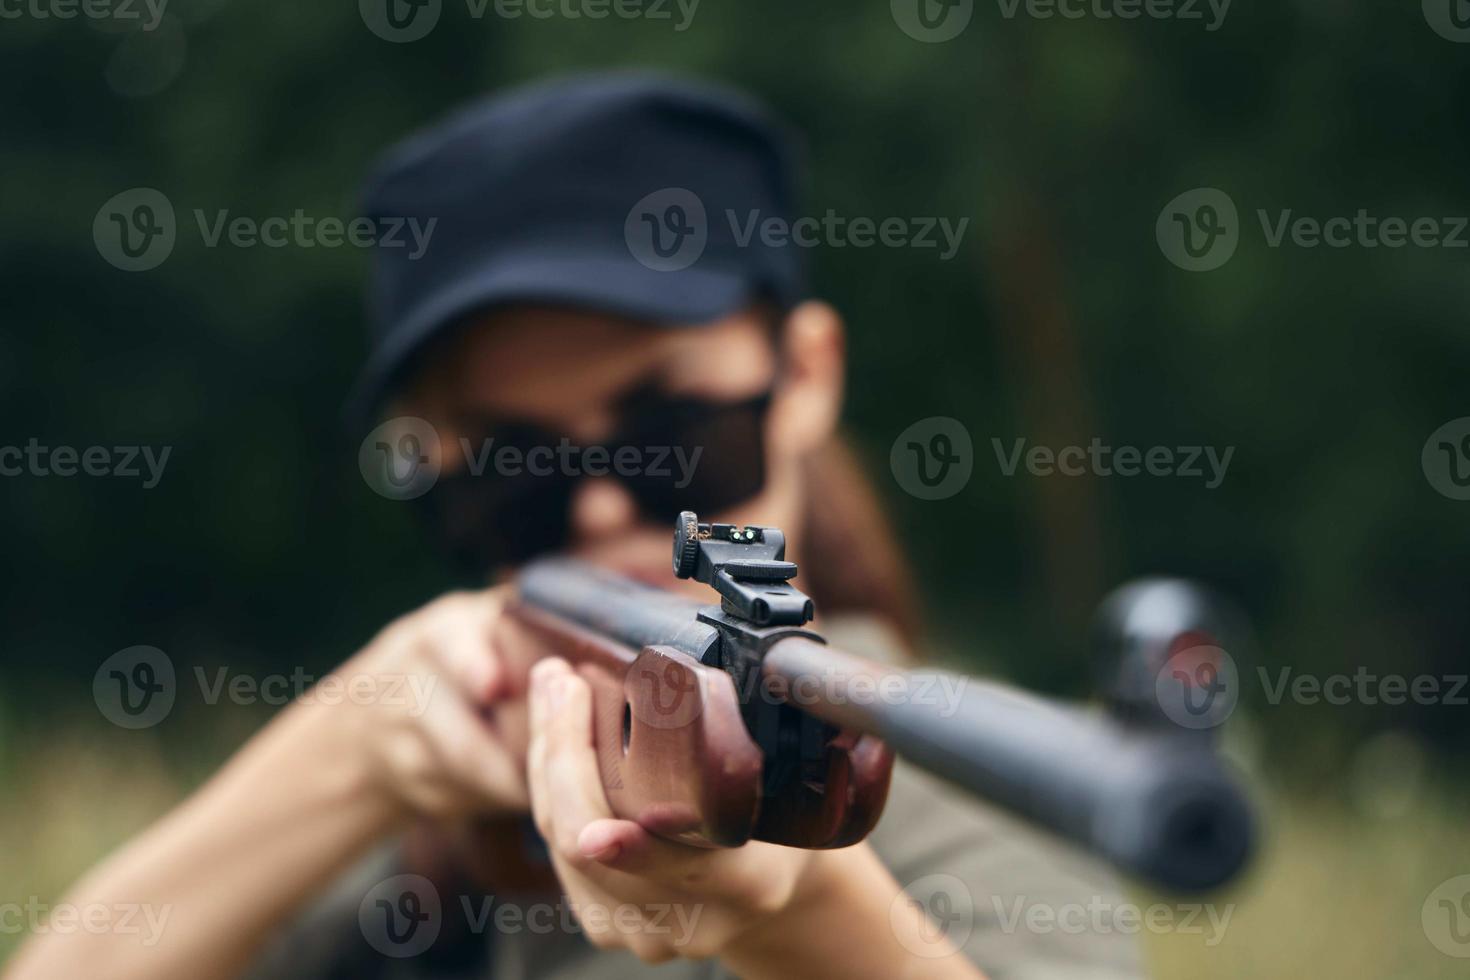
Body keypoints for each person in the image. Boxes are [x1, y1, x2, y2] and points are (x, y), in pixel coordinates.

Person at [6, 72, 1143, 980]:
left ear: (804, 374)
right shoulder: (438, 807)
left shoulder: (957, 776)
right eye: (518, 473)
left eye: (670, 433)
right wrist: (347, 755)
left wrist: (802, 918)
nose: (601, 505)